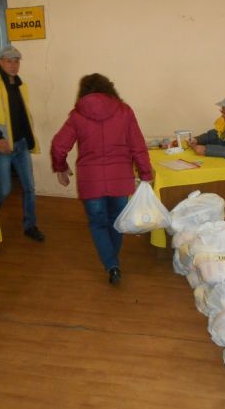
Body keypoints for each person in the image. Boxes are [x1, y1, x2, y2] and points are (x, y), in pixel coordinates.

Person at [50, 73, 153, 285]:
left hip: (91, 181)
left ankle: (111, 265)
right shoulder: (124, 111)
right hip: (119, 180)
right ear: (108, 88)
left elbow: (58, 146)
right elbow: (138, 146)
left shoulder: (77, 115)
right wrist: (146, 174)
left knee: (98, 224)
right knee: (116, 222)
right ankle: (113, 263)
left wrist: (61, 167)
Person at [0, 45, 44, 242]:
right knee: (5, 189)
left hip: (21, 144)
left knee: (29, 187)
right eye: (9, 61)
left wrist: (29, 139)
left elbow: (22, 115)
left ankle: (30, 225)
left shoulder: (21, 84)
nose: (14, 65)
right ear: (0, 62)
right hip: (0, 146)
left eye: (16, 61)